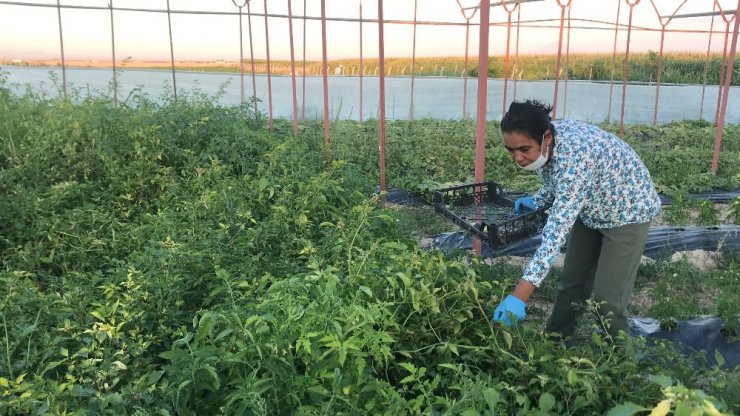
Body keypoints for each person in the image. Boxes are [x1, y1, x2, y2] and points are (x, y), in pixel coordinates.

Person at [491, 100, 661, 339]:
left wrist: (520, 294)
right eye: (511, 150)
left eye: (524, 150)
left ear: (546, 137)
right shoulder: (543, 143)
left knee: (607, 299)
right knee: (572, 285)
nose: (517, 158)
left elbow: (555, 232)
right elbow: (557, 177)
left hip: (627, 211)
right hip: (590, 207)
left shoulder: (576, 155)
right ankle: (556, 341)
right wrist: (539, 200)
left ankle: (621, 363)